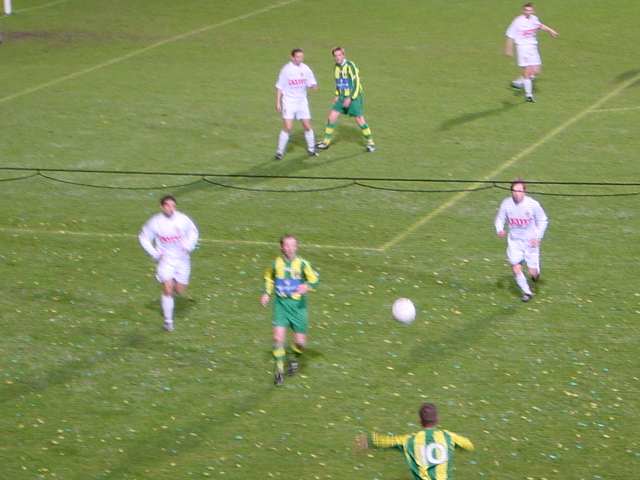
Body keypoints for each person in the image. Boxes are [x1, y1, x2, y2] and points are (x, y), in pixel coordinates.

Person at [355, 403, 474, 480]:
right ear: (437, 419)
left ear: (420, 421)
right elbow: (468, 445)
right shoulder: (449, 437)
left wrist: (368, 440)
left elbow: (387, 441)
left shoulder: (409, 441)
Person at [261, 234, 319, 386]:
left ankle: (294, 359)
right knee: (278, 339)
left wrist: (307, 286)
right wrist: (267, 293)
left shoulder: (303, 264)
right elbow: (269, 277)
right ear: (281, 247)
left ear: (297, 247)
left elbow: (315, 279)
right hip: (281, 306)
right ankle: (279, 370)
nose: (290, 248)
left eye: (293, 245)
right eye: (286, 245)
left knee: (300, 343)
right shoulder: (276, 264)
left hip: (299, 308)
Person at [138, 195, 199, 331]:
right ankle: (168, 321)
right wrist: (154, 253)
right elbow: (143, 237)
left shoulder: (182, 219)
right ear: (162, 207)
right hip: (165, 260)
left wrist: (189, 245)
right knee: (167, 288)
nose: (171, 208)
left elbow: (193, 232)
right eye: (168, 205)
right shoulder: (155, 222)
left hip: (182, 259)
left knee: (180, 290)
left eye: (173, 206)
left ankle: (173, 286)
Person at [495, 180, 549, 302]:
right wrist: (500, 229)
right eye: (515, 191)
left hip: (530, 242)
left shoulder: (533, 204)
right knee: (515, 266)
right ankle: (527, 292)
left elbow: (543, 220)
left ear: (524, 191)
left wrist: (538, 237)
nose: (517, 193)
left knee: (533, 272)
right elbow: (499, 219)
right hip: (514, 242)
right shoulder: (506, 204)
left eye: (520, 191)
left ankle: (535, 274)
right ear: (511, 191)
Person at [316, 47, 375, 152]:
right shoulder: (336, 67)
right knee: (332, 116)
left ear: (343, 55)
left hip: (354, 96)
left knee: (359, 119)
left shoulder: (350, 66)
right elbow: (338, 82)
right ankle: (326, 142)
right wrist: (337, 95)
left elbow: (356, 82)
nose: (338, 57)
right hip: (342, 96)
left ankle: (371, 142)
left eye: (339, 55)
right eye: (335, 56)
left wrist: (350, 97)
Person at [505, 2, 559, 102]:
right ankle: (528, 95)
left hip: (533, 47)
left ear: (532, 11)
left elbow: (540, 26)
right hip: (523, 47)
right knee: (527, 70)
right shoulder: (517, 21)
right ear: (523, 11)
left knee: (536, 71)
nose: (528, 12)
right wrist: (509, 49)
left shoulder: (534, 19)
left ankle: (518, 82)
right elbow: (510, 35)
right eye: (526, 10)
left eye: (530, 10)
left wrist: (551, 31)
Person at [274, 48, 319, 160]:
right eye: (298, 57)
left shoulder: (306, 68)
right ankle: (279, 152)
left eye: (301, 57)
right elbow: (279, 87)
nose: (300, 59)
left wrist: (313, 86)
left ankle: (311, 149)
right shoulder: (286, 70)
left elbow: (311, 83)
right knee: (288, 127)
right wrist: (278, 103)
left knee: (307, 126)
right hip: (289, 102)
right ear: (292, 57)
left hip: (302, 102)